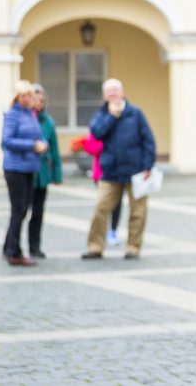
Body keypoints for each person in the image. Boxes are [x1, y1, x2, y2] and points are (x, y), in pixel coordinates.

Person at [81, 78, 156, 260]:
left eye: (115, 90)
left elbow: (148, 139)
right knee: (100, 208)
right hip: (110, 171)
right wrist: (111, 116)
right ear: (104, 94)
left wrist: (148, 165)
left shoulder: (135, 113)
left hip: (135, 170)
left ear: (122, 92)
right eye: (109, 91)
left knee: (138, 212)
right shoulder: (101, 114)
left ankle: (133, 247)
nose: (112, 93)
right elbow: (97, 133)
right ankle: (95, 247)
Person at [0, 80, 48, 267]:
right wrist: (31, 146)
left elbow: (39, 135)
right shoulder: (12, 115)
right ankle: (14, 252)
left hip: (30, 167)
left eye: (30, 95)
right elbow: (7, 141)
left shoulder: (31, 115)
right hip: (15, 168)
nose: (28, 98)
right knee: (18, 210)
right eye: (24, 95)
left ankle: (8, 247)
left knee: (23, 210)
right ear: (17, 97)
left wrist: (44, 144)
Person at [29, 85, 63, 258]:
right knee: (19, 212)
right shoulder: (24, 117)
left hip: (42, 173)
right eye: (35, 100)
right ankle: (12, 247)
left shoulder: (48, 121)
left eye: (42, 100)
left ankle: (34, 246)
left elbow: (55, 149)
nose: (39, 104)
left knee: (38, 212)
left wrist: (57, 174)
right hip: (25, 172)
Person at [81, 132, 122, 246]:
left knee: (117, 204)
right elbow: (90, 148)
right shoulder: (100, 126)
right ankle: (99, 234)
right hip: (101, 174)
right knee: (102, 205)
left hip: (119, 172)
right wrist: (108, 145)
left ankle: (113, 231)